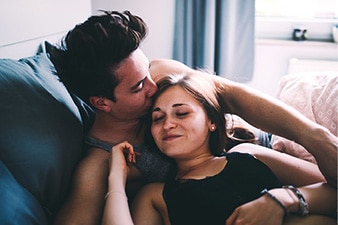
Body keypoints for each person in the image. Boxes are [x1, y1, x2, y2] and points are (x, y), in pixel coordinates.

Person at [50, 10, 337, 225]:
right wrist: (115, 180)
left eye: (147, 73)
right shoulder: (99, 164)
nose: (153, 86)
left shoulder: (158, 73)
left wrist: (315, 137)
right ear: (101, 103)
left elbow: (231, 95)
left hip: (266, 148)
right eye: (138, 86)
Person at [102, 72, 336, 225]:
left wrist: (280, 199)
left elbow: (334, 190)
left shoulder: (248, 155)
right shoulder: (155, 196)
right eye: (157, 118)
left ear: (211, 122)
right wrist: (116, 178)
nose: (168, 124)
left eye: (181, 113)